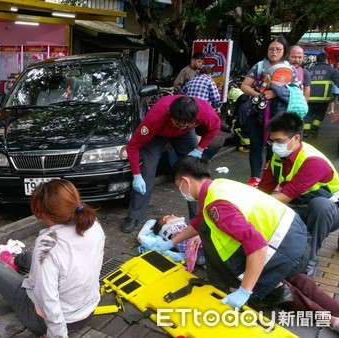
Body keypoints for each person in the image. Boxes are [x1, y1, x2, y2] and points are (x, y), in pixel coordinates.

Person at [144, 156, 309, 309]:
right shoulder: (219, 185)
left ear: (186, 181)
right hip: (297, 236)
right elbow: (200, 220)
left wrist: (245, 290)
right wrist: (170, 242)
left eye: (178, 185)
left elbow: (257, 245)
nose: (181, 191)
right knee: (205, 227)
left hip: (284, 250)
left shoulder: (217, 206)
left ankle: (252, 288)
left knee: (210, 236)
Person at [0, 179, 105, 338]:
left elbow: (47, 299)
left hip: (45, 320)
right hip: (87, 312)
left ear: (43, 213)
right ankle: (14, 261)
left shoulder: (48, 244)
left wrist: (57, 335)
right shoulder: (93, 224)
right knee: (35, 258)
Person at [122, 95, 221, 233]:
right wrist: (136, 175)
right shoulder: (155, 117)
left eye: (185, 124)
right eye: (177, 123)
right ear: (170, 115)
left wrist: (199, 149)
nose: (180, 127)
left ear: (194, 119)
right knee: (147, 172)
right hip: (157, 134)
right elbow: (133, 146)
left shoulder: (205, 113)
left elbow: (215, 127)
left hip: (185, 136)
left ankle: (200, 219)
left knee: (194, 173)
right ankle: (134, 216)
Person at [257, 112, 339, 277]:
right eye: (272, 141)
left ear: (295, 139)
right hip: (300, 206)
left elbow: (286, 196)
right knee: (269, 210)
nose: (274, 146)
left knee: (320, 206)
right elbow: (263, 191)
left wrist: (252, 200)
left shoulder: (313, 161)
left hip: (331, 211)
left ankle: (310, 259)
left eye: (279, 141)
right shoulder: (277, 158)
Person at [240, 36, 299, 187]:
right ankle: (255, 178)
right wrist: (260, 95)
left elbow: (294, 91)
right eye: (271, 49)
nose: (274, 52)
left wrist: (275, 93)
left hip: (279, 115)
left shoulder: (290, 69)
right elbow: (245, 86)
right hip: (256, 112)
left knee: (275, 147)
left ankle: (273, 178)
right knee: (256, 145)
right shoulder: (259, 66)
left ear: (284, 51)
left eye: (278, 49)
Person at [304, 52, 339, 137]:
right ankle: (314, 129)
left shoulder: (309, 69)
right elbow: (338, 81)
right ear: (326, 60)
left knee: (309, 113)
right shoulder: (331, 70)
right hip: (323, 98)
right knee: (320, 113)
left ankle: (306, 131)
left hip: (310, 97)